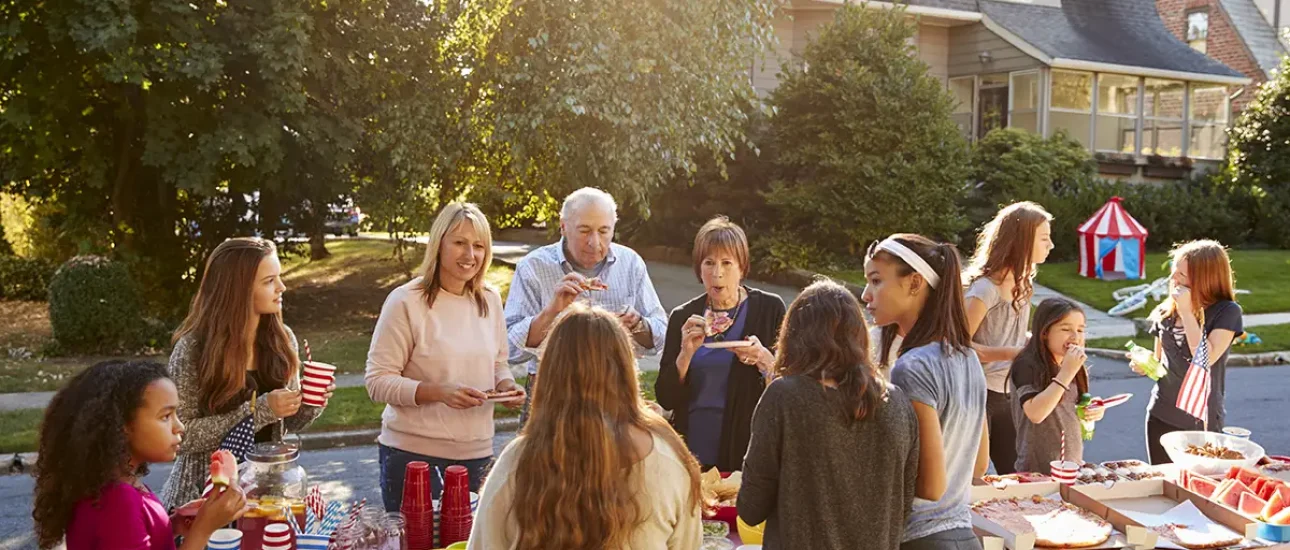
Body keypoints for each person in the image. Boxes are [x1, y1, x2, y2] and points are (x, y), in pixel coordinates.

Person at [469, 304, 702, 550]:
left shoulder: (518, 459)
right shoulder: (670, 459)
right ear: (626, 370)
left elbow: (484, 545)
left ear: (550, 373)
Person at [366, 203, 525, 513]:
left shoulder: (490, 299)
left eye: (479, 245)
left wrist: (506, 386)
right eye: (460, 242)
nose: (470, 255)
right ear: (438, 243)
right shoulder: (404, 301)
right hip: (411, 457)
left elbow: (497, 363)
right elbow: (377, 382)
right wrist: (439, 393)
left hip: (477, 455)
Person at [738, 280, 920, 550]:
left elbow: (751, 508)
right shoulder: (898, 403)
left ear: (794, 336)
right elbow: (903, 507)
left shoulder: (785, 397)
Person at [160, 237, 331, 508]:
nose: (282, 287)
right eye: (269, 281)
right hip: (200, 503)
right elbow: (180, 435)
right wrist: (260, 410)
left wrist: (310, 401)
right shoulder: (193, 349)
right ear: (237, 290)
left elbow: (287, 424)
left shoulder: (282, 340)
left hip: (265, 498)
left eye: (279, 278)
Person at [34, 360, 248, 550]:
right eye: (166, 416)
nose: (180, 427)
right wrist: (203, 529)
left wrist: (173, 525)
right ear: (122, 425)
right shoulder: (117, 502)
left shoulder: (119, 484)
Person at [862, 234, 989, 550]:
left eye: (876, 281)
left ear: (915, 283)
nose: (866, 295)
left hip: (921, 539)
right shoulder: (968, 357)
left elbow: (930, 486)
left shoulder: (913, 366)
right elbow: (979, 464)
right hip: (964, 537)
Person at [503, 187, 668, 425]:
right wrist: (552, 311)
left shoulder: (630, 263)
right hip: (552, 389)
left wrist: (638, 324)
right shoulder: (533, 267)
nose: (594, 242)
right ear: (563, 226)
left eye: (604, 231)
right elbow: (510, 349)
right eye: (584, 231)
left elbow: (662, 335)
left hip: (616, 388)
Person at [655, 217, 786, 471]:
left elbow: (789, 386)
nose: (717, 273)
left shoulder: (769, 309)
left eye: (727, 263)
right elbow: (666, 398)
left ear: (742, 267)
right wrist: (685, 354)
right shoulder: (684, 316)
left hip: (746, 450)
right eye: (709, 263)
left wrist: (762, 358)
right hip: (690, 449)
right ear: (698, 268)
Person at [1128, 240, 1242, 464]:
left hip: (1201, 420)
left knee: (1195, 490)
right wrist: (1144, 364)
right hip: (1161, 412)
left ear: (1205, 278)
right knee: (1163, 484)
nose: (1173, 279)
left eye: (1181, 274)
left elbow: (1205, 359)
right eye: (1174, 271)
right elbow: (1160, 364)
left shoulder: (1227, 312)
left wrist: (1188, 314)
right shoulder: (1166, 310)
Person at [962, 201, 1053, 475]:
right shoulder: (984, 290)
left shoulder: (1023, 284)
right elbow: (957, 345)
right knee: (973, 475)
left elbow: (1009, 336)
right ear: (1022, 241)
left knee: (1017, 474)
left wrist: (1033, 342)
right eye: (1045, 239)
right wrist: (1011, 352)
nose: (1051, 246)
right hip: (978, 394)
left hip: (1009, 393)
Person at [1010, 298, 1105, 472]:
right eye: (1065, 329)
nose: (1075, 337)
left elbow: (1068, 408)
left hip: (1071, 464)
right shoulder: (1027, 364)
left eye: (1080, 330)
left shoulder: (1071, 364)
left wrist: (1090, 410)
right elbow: (1036, 413)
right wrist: (1066, 373)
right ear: (1045, 332)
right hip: (1036, 470)